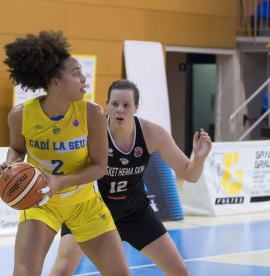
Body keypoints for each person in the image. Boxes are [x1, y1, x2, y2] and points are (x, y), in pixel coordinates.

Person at [0, 31, 130, 276]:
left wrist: (59, 182)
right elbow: (17, 149)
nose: (84, 79)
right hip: (42, 203)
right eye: (76, 74)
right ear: (55, 81)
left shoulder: (92, 114)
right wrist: (9, 166)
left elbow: (99, 167)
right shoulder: (20, 115)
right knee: (24, 273)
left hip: (84, 203)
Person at [50, 79, 212, 276]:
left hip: (134, 212)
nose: (120, 110)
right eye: (115, 104)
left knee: (180, 271)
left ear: (136, 107)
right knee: (62, 269)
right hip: (90, 210)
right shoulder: (90, 131)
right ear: (107, 105)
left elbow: (190, 174)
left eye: (126, 105)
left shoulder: (152, 133)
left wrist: (200, 157)